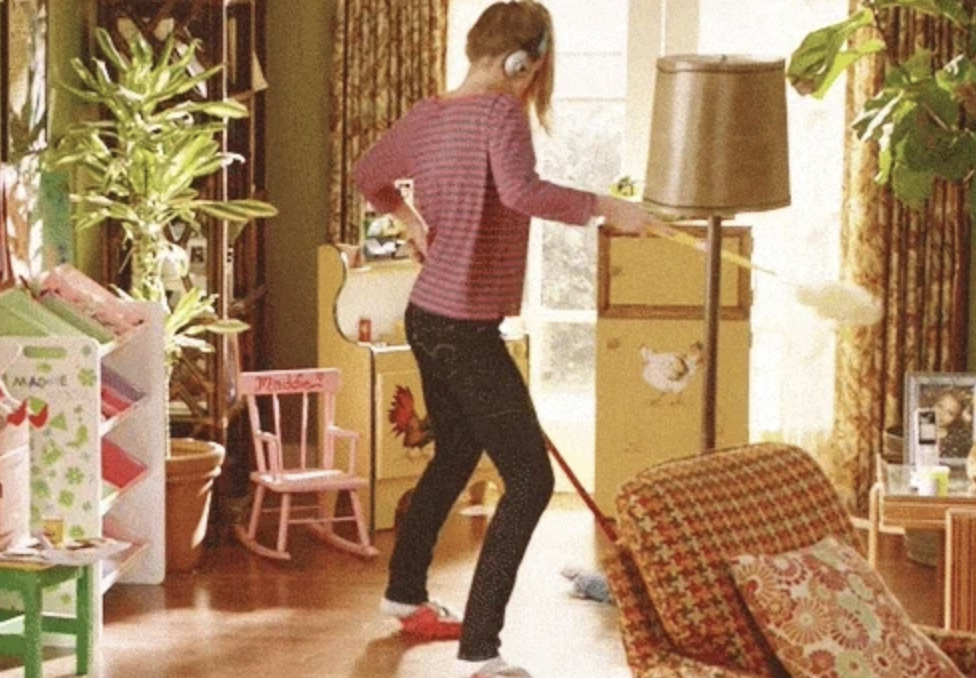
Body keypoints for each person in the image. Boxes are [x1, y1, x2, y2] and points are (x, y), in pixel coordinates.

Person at [352, 2, 671, 676]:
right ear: (523, 62)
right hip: (463, 324)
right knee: (530, 479)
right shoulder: (500, 112)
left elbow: (367, 174)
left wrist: (408, 216)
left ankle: (404, 596)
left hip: (430, 315)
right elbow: (522, 193)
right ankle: (482, 651)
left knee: (456, 455)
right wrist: (609, 209)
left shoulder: (427, 114)